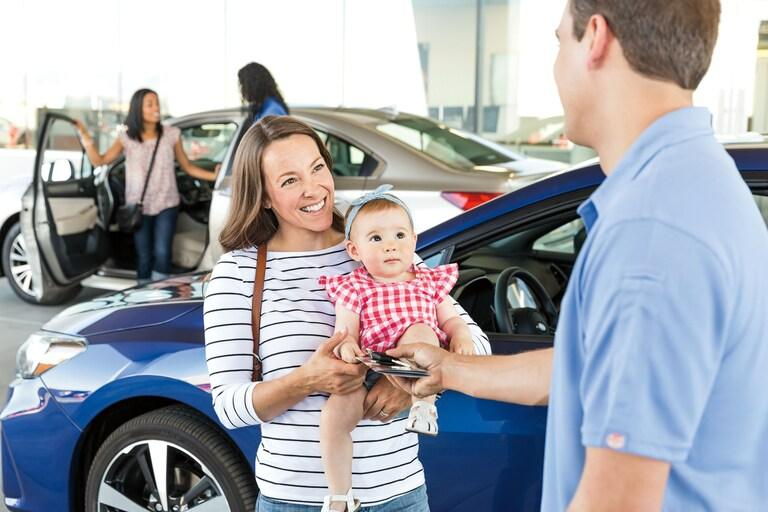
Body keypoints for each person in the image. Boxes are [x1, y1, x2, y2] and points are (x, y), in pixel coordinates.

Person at [388, 1, 768, 511]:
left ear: (596, 37)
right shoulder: (698, 184)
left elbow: (620, 498)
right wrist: (450, 369)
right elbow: (589, 371)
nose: (555, 65)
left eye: (559, 41)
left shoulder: (652, 230)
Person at [203, 115, 490, 511]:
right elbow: (228, 406)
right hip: (296, 501)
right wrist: (305, 381)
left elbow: (476, 344)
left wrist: (411, 380)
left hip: (400, 495)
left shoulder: (378, 245)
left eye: (317, 167)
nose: (313, 189)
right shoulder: (238, 272)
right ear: (264, 196)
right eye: (289, 180)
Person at [317, 184, 475, 511]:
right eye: (376, 239)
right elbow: (344, 333)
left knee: (420, 330)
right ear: (354, 250)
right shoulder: (354, 286)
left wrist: (461, 333)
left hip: (412, 367)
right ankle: (339, 494)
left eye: (400, 236)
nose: (391, 245)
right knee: (332, 418)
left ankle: (423, 405)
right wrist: (347, 348)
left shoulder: (426, 282)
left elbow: (451, 320)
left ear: (414, 242)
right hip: (369, 369)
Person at [76, 88, 218, 284]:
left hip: (167, 203)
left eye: (157, 103)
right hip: (138, 206)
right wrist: (85, 137)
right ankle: (143, 294)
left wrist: (214, 176)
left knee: (162, 252)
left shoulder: (171, 134)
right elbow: (100, 161)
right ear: (138, 109)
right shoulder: (126, 137)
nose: (156, 108)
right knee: (143, 255)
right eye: (150, 104)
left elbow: (187, 167)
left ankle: (160, 295)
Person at [238, 62, 290, 127]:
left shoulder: (272, 113)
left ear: (254, 84)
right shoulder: (265, 109)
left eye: (243, 85)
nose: (242, 90)